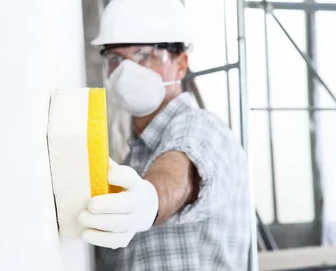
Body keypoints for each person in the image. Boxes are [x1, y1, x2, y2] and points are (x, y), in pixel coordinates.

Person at [77, 0, 251, 270]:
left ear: (181, 64)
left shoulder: (204, 127)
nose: (125, 71)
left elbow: (181, 171)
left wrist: (149, 200)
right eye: (115, 59)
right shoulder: (132, 155)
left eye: (143, 55)